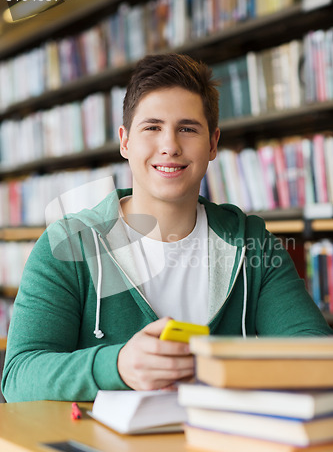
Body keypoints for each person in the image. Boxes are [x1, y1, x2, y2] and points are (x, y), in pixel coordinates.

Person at [2, 53, 332, 403]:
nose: (170, 146)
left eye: (187, 128)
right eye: (152, 127)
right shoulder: (68, 244)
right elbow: (19, 377)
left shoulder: (252, 244)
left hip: (223, 448)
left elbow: (315, 356)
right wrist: (116, 367)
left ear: (213, 143)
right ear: (125, 141)